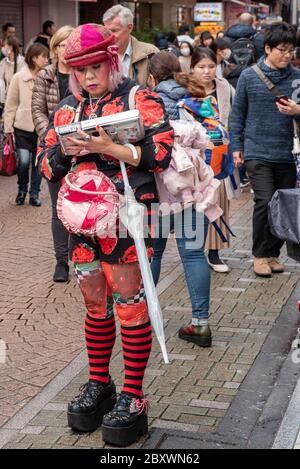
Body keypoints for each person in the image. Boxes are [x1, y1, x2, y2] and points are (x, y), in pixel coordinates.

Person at [37, 24, 173, 446]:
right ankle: (100, 383)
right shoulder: (66, 110)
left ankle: (133, 395)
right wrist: (65, 150)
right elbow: (45, 167)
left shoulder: (139, 98)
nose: (89, 77)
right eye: (80, 71)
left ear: (112, 62)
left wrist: (113, 150)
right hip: (80, 226)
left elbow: (161, 153)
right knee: (96, 305)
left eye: (96, 67)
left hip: (127, 223)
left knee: (130, 306)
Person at [148, 50, 212, 348]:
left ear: (151, 77)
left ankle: (145, 318)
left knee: (155, 254)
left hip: (159, 189)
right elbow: (214, 138)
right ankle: (200, 324)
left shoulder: (146, 102)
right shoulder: (197, 97)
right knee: (194, 254)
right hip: (192, 187)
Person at [230, 22, 300, 277]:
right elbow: (237, 115)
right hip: (257, 151)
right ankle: (259, 255)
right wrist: (236, 146)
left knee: (283, 204)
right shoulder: (250, 76)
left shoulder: (297, 79)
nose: (287, 55)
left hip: (289, 153)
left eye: (291, 50)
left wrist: (297, 111)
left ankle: (273, 254)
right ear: (268, 48)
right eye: (282, 49)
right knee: (264, 200)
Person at [176, 47, 235, 273]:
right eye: (201, 67)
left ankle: (215, 252)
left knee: (218, 202)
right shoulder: (185, 90)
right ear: (192, 68)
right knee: (194, 206)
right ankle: (193, 253)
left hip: (220, 156)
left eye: (211, 66)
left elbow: (235, 115)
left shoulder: (224, 88)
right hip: (193, 157)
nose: (207, 71)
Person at [32, 25, 74, 283]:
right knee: (58, 208)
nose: (66, 49)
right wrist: (51, 137)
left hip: (80, 148)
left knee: (80, 205)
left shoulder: (82, 74)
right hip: (52, 149)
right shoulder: (45, 76)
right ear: (55, 48)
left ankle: (79, 255)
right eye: (61, 44)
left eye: (71, 44)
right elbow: (36, 109)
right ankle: (61, 261)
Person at [4, 43, 48, 206]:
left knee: (38, 162)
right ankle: (22, 190)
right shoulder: (18, 78)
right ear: (34, 58)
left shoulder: (47, 77)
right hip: (22, 127)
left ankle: (34, 194)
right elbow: (11, 104)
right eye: (43, 56)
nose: (46, 59)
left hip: (41, 127)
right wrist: (8, 129)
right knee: (23, 161)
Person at [103, 4, 158, 86]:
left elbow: (159, 90)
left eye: (114, 30)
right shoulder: (101, 54)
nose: (110, 36)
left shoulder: (150, 53)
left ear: (130, 28)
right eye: (107, 31)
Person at [0, 36, 25, 109]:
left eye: (4, 46)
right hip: (7, 102)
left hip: (21, 102)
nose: (2, 48)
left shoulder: (24, 63)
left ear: (10, 47)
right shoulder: (3, 63)